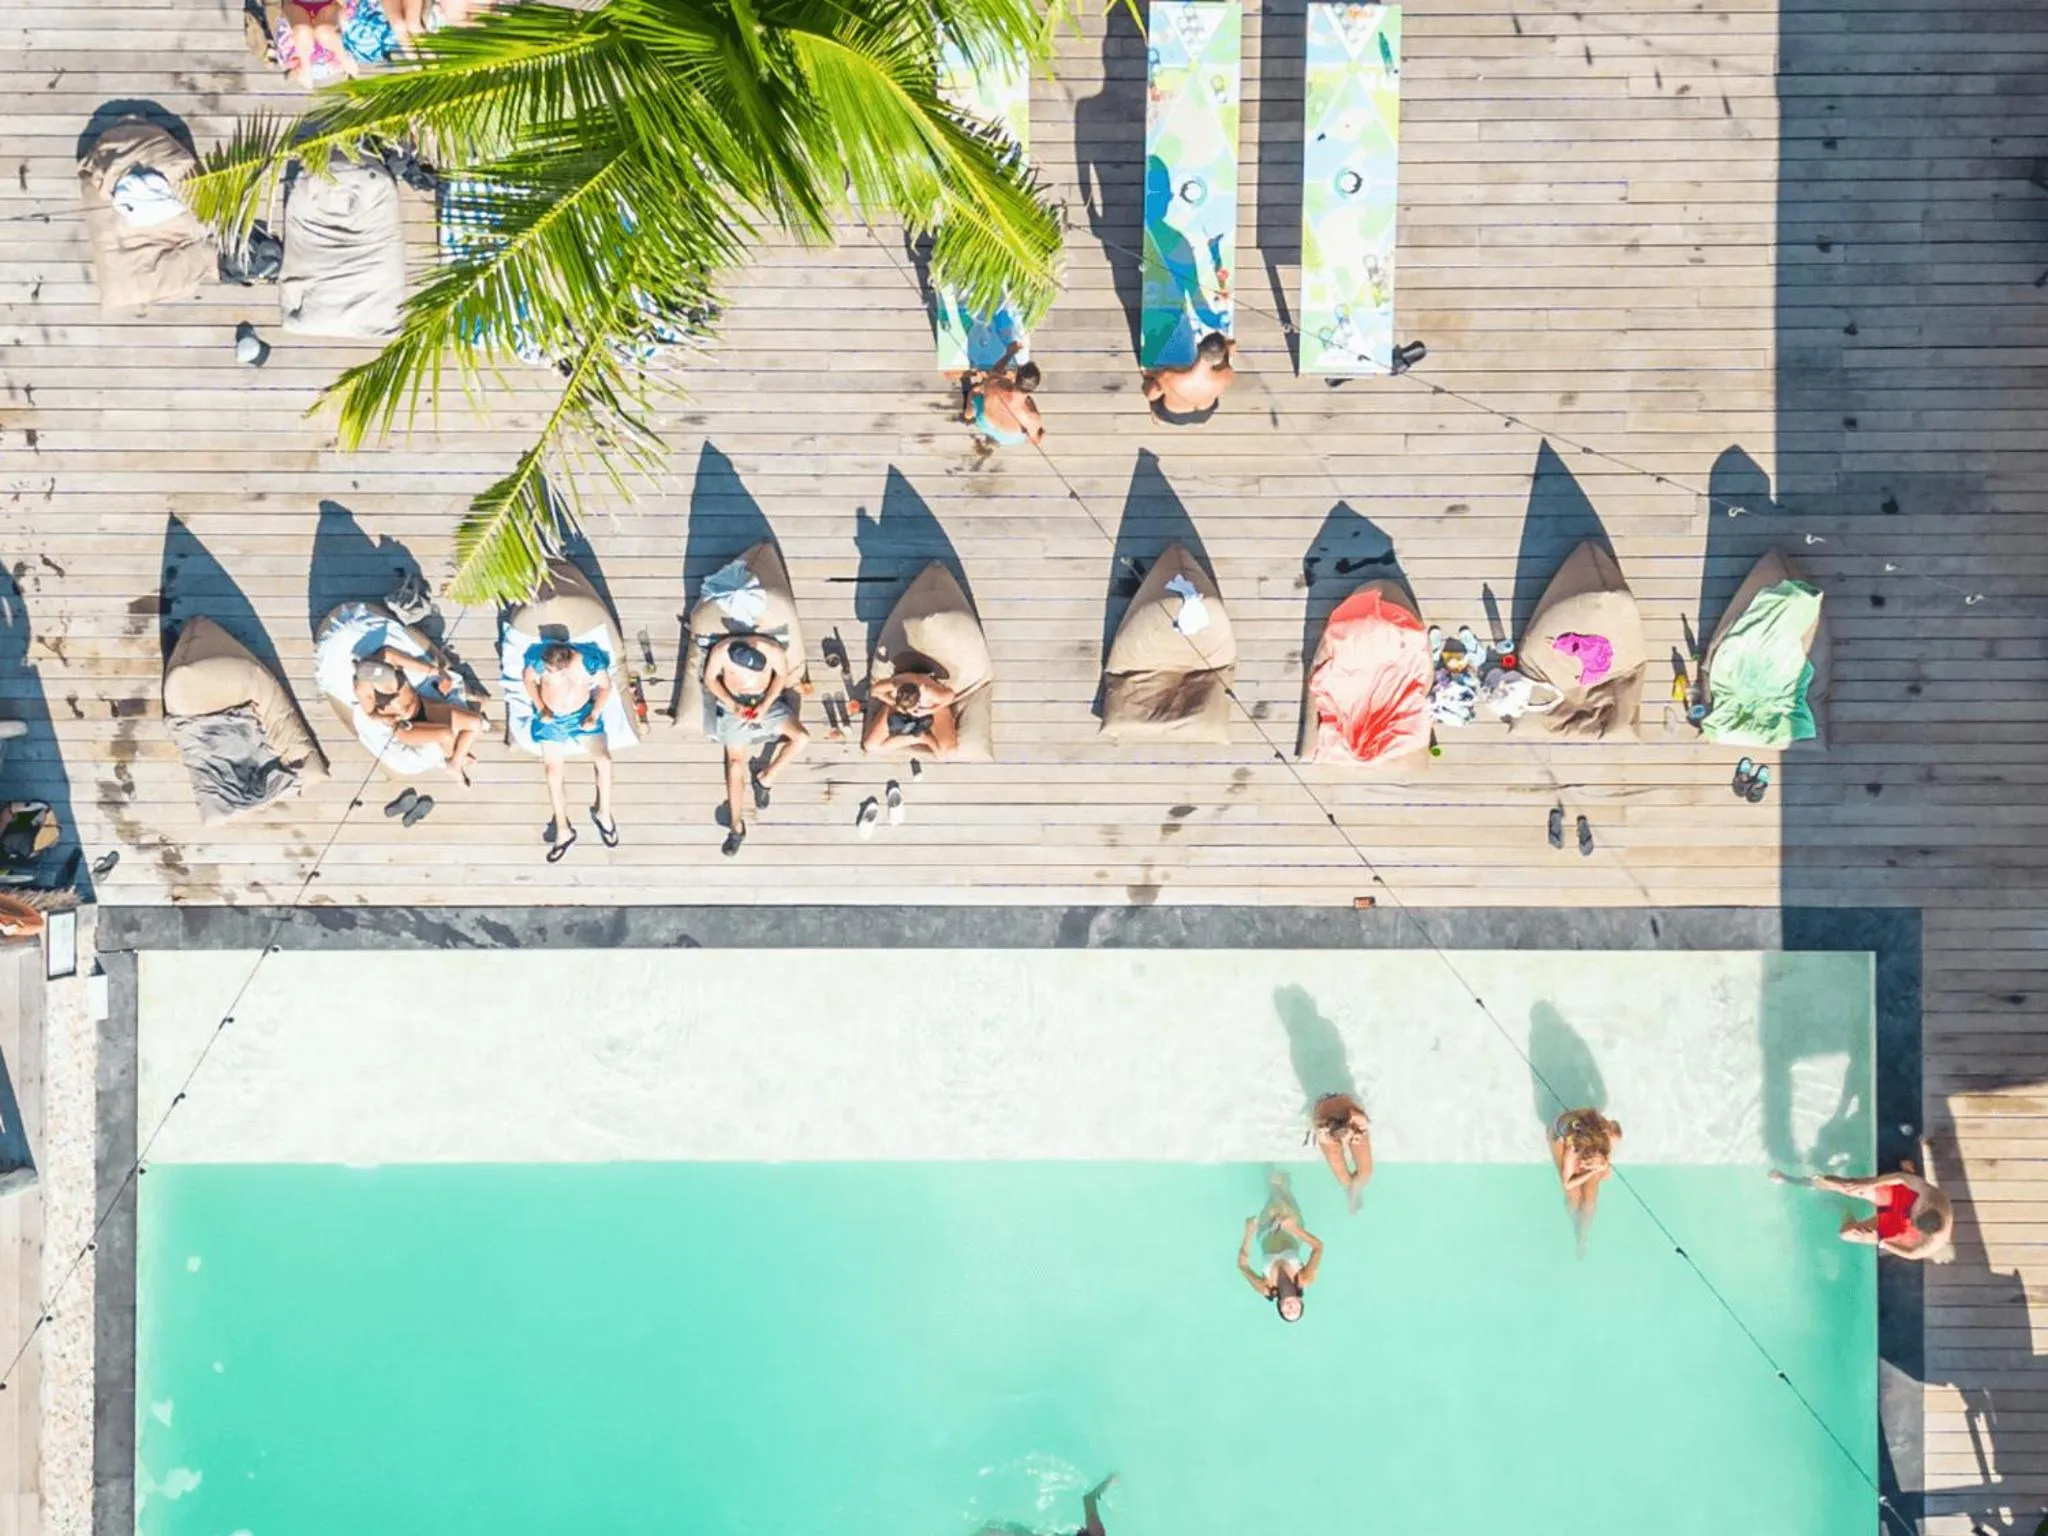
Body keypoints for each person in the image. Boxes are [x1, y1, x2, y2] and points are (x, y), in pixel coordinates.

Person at [701, 633, 807, 857]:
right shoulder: (721, 651)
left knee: (802, 738)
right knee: (735, 763)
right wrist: (732, 704)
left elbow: (780, 676)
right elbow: (710, 679)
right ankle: (736, 825)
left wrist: (766, 703)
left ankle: (765, 779)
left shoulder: (772, 650)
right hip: (734, 702)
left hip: (764, 701)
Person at [520, 640, 616, 861]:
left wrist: (594, 715)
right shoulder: (539, 659)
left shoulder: (588, 662)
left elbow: (605, 686)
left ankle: (604, 812)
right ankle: (563, 829)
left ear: (566, 665)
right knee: (553, 772)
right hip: (551, 719)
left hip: (581, 715)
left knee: (604, 760)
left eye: (554, 671)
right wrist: (541, 707)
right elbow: (528, 679)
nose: (549, 673)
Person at [1770, 1159, 1954, 1261]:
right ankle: (1789, 1179)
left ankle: (1844, 1208)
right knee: (1843, 1185)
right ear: (1926, 1206)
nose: (1913, 1215)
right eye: (1917, 1212)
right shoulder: (1930, 1197)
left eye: (1915, 1219)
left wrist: (1882, 1242)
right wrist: (1868, 1183)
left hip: (1901, 1227)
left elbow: (1912, 1254)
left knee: (1846, 1234)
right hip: (1903, 1198)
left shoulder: (1931, 1243)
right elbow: (1900, 1178)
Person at [351, 648, 484, 786]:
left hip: (423, 706)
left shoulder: (388, 656)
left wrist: (441, 674)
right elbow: (371, 714)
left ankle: (457, 759)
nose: (394, 692)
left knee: (476, 723)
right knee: (446, 734)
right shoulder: (362, 689)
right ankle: (455, 766)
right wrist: (386, 719)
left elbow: (422, 667)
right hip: (405, 725)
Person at [1237, 1173, 1322, 1322]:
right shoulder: (1304, 1277)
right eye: (1295, 1309)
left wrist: (1249, 1233)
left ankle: (1275, 1181)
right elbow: (1318, 1247)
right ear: (1300, 1301)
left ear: (1279, 1305)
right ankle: (1281, 1184)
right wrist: (1293, 1228)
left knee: (1273, 1198)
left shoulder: (1267, 1287)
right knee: (1278, 1200)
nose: (1290, 1308)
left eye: (1287, 1312)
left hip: (1265, 1232)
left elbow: (1243, 1266)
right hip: (1292, 1228)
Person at [1550, 1106, 1622, 1253]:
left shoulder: (1607, 1132)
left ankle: (1583, 1234)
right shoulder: (1573, 1150)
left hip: (1584, 1131)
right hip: (1560, 1137)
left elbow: (1615, 1129)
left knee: (1590, 1197)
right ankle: (1574, 1225)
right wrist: (1593, 1170)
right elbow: (1568, 1183)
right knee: (1573, 1197)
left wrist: (1604, 1163)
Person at [861, 668, 958, 759]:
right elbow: (875, 691)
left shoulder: (930, 692)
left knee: (947, 753)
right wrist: (893, 703)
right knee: (870, 746)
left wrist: (930, 710)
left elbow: (950, 696)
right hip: (899, 706)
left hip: (931, 707)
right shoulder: (896, 683)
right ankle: (919, 737)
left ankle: (926, 738)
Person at [961, 342, 1044, 447]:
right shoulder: (1033, 418)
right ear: (1034, 388)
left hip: (986, 423)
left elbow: (995, 372)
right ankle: (997, 439)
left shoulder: (994, 385)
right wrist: (1040, 433)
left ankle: (967, 415)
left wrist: (1009, 354)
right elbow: (1035, 440)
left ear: (1015, 378)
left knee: (973, 392)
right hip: (1009, 438)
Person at [1142, 331, 1234, 425]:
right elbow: (1231, 347)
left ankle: (1158, 418)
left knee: (1151, 383)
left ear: (1198, 347)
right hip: (1205, 413)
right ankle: (1199, 423)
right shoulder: (1227, 375)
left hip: (1175, 414)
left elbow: (1150, 395)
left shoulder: (1170, 377)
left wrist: (1150, 378)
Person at [1310, 1093, 1373, 1211]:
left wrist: (1358, 1135)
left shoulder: (1356, 1117)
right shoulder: (1323, 1129)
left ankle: (1355, 1190)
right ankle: (1351, 1192)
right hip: (1328, 1124)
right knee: (1343, 1177)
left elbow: (1364, 1125)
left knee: (1366, 1172)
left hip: (1345, 1113)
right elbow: (1324, 1136)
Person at [282, 0, 356, 86]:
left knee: (324, 32)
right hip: (296, 4)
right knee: (302, 31)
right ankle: (305, 67)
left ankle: (344, 58)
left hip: (329, 4)